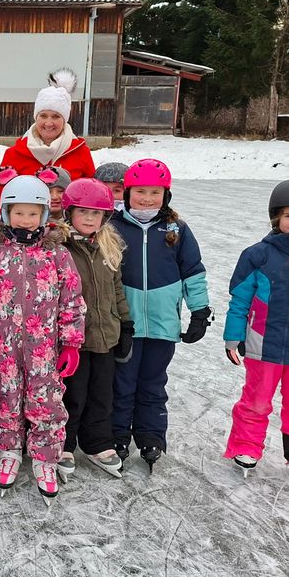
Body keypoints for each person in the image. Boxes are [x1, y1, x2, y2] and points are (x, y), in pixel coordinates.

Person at [0, 169, 85, 504]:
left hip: (45, 348)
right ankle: (9, 451)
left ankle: (45, 458)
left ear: (44, 216)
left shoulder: (57, 255)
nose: (24, 219)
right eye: (17, 212)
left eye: (32, 213)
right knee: (6, 398)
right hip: (3, 347)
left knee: (45, 401)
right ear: (5, 214)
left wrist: (72, 344)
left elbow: (72, 301)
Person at [109, 158, 211, 472]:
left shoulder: (177, 229)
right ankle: (117, 436)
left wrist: (199, 311)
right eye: (140, 191)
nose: (147, 198)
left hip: (163, 325)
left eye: (155, 192)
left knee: (153, 383)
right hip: (125, 323)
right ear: (127, 193)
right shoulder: (112, 226)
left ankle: (151, 435)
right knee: (122, 383)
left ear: (165, 195)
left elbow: (193, 271)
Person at [58, 178, 131, 482]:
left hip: (106, 337)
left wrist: (125, 324)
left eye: (96, 213)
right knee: (72, 395)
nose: (89, 219)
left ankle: (98, 443)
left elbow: (117, 290)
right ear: (69, 212)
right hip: (72, 340)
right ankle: (63, 444)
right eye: (83, 212)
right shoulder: (60, 248)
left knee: (102, 394)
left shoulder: (108, 246)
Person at [222, 180, 289, 477]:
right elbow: (240, 300)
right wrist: (233, 337)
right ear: (277, 218)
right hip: (264, 345)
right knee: (257, 401)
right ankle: (246, 446)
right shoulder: (257, 255)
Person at [0, 69, 96, 223]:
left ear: (65, 119)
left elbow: (92, 197)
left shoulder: (80, 152)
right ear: (36, 117)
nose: (48, 123)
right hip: (26, 229)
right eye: (43, 116)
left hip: (69, 232)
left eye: (55, 116)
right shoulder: (16, 153)